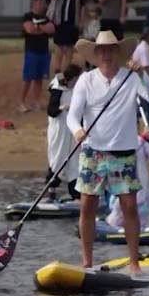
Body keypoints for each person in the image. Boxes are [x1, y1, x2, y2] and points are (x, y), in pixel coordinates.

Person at [66, 31, 149, 277]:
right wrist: (78, 131)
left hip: (124, 153)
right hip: (93, 152)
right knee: (87, 206)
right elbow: (72, 116)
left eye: (111, 51)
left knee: (129, 207)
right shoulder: (86, 80)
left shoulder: (130, 78)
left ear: (117, 54)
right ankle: (87, 261)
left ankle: (134, 262)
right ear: (96, 55)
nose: (107, 55)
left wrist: (142, 75)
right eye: (102, 51)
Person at [43, 63, 85, 203]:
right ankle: (51, 193)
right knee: (58, 158)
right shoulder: (58, 88)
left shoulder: (77, 89)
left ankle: (76, 195)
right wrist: (62, 107)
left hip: (72, 129)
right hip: (59, 129)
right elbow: (51, 110)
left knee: (74, 160)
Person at [19, 0, 55, 113]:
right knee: (28, 77)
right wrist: (42, 29)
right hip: (32, 50)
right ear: (33, 5)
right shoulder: (28, 16)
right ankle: (21, 102)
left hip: (44, 50)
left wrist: (38, 27)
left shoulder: (46, 17)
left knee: (39, 77)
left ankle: (35, 101)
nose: (41, 6)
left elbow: (51, 29)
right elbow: (29, 29)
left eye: (42, 3)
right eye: (39, 4)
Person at [46, 0, 85, 73]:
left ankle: (67, 67)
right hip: (60, 20)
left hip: (73, 21)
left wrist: (81, 21)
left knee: (70, 45)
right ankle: (58, 67)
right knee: (59, 44)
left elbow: (82, 6)